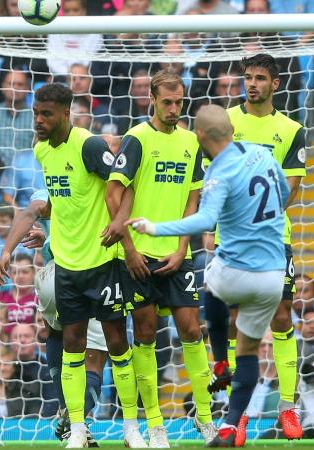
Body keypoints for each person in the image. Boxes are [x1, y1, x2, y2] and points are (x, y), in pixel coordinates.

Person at [129, 104, 290, 448]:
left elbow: (205, 220)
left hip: (236, 270)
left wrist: (156, 228)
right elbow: (285, 193)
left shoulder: (218, 173)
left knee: (213, 283)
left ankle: (218, 360)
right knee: (248, 353)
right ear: (232, 130)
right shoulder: (262, 154)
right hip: (274, 275)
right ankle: (231, 426)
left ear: (200, 136)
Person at [0, 84, 142, 449]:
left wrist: (122, 233)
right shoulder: (42, 151)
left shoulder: (89, 145)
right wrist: (42, 236)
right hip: (64, 267)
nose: (39, 121)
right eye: (36, 114)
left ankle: (130, 428)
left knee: (116, 346)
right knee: (75, 347)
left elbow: (125, 186)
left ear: (65, 113)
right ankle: (76, 427)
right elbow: (60, 203)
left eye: (46, 115)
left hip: (103, 262)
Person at [103, 69, 215, 446]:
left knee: (192, 330)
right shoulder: (136, 139)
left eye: (178, 101)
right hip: (137, 257)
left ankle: (205, 415)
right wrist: (130, 249)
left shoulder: (190, 141)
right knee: (146, 335)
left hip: (175, 253)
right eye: (166, 101)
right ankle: (154, 424)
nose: (173, 108)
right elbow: (114, 193)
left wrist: (183, 246)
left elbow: (192, 197)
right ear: (152, 98)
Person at [206, 53, 307, 440]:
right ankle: (240, 411)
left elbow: (291, 188)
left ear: (275, 84)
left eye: (260, 78)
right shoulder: (226, 122)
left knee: (282, 319)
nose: (252, 84)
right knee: (235, 325)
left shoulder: (292, 129)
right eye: (247, 77)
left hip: (273, 240)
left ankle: (287, 408)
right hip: (233, 240)